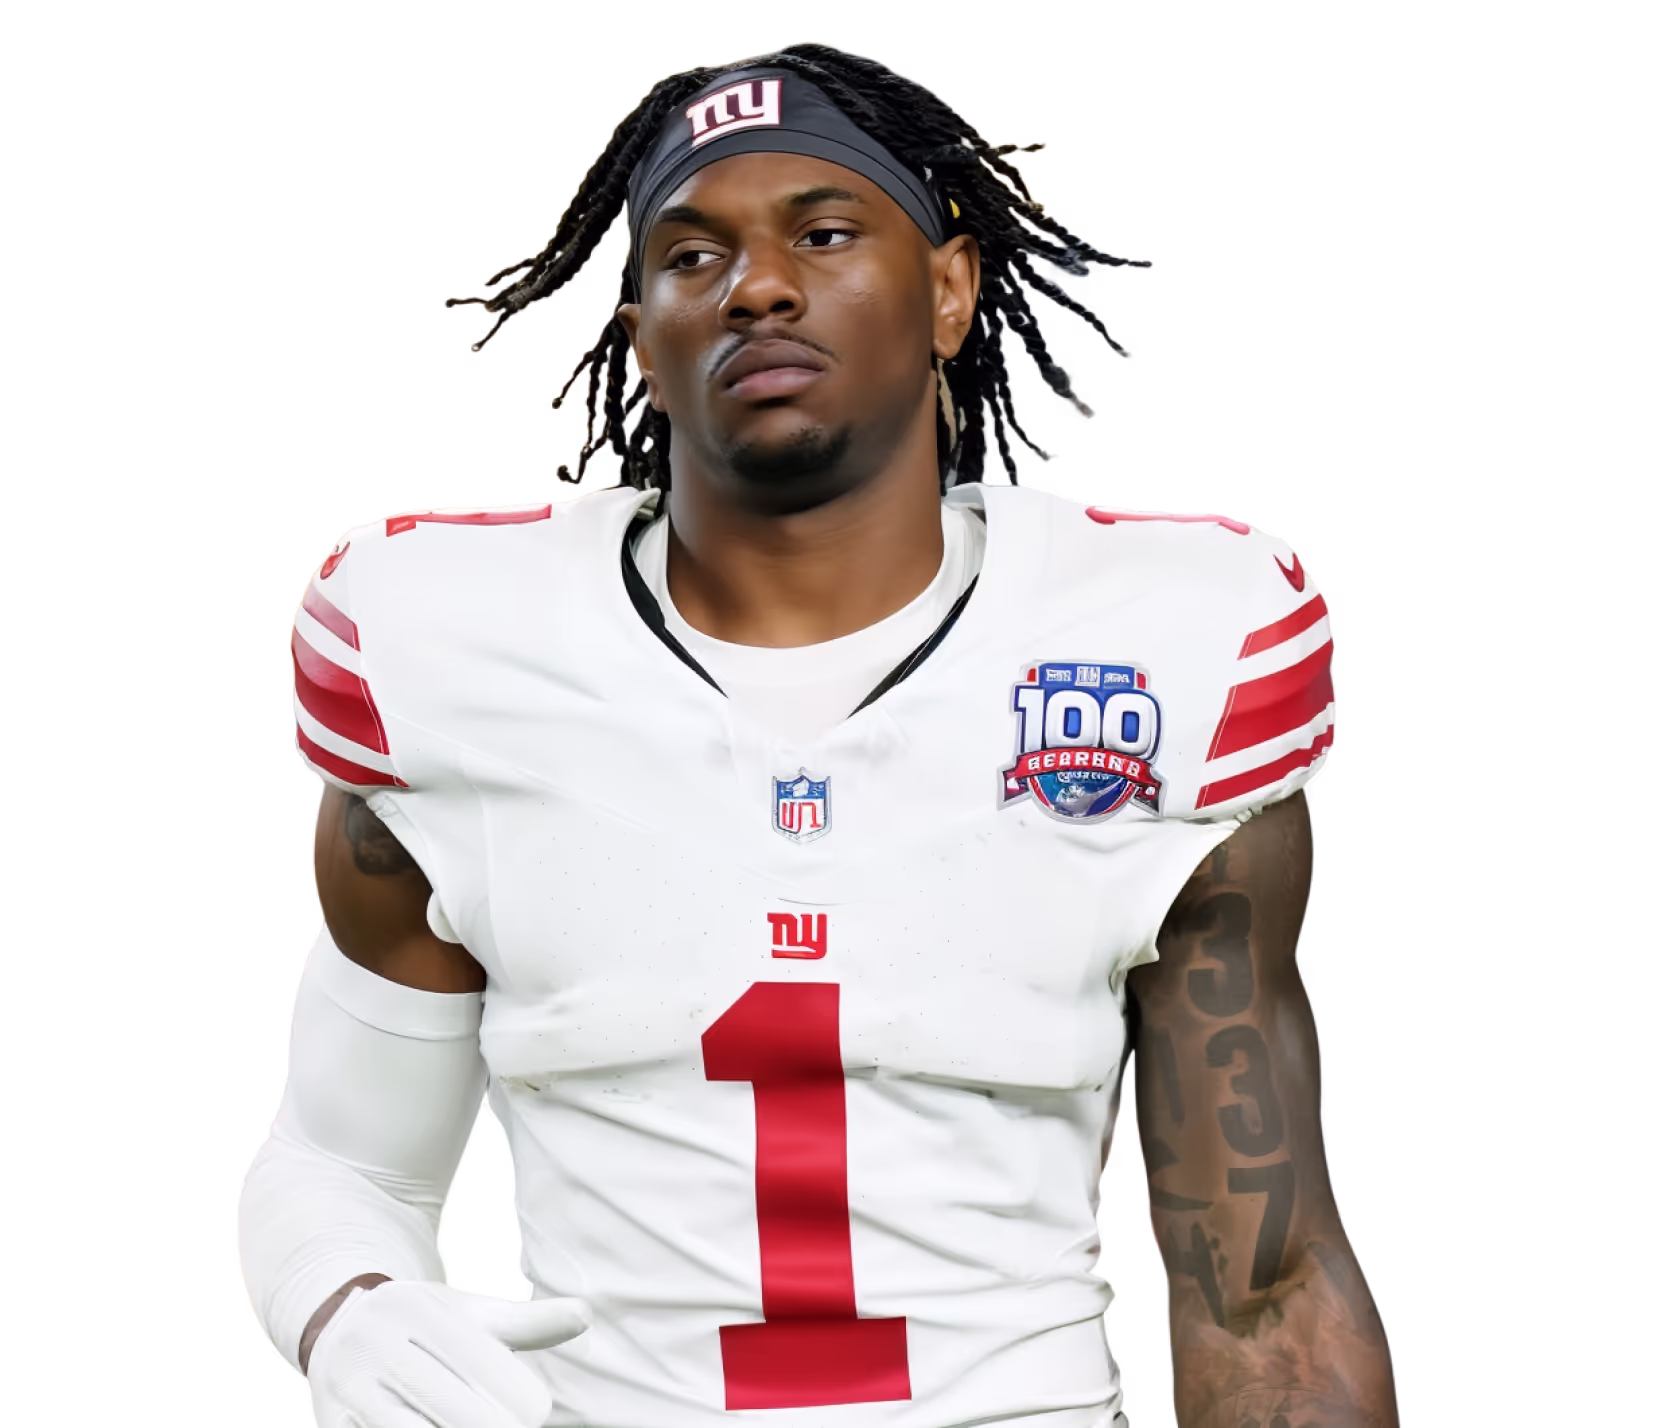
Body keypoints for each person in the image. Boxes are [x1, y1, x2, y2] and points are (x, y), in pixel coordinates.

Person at [238, 41, 1400, 1428]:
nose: (757, 286)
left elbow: (1261, 1291)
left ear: (951, 291)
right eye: (692, 255)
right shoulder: (456, 653)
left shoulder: (1167, 648)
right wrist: (349, 1303)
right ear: (643, 349)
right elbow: (344, 1162)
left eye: (826, 232)